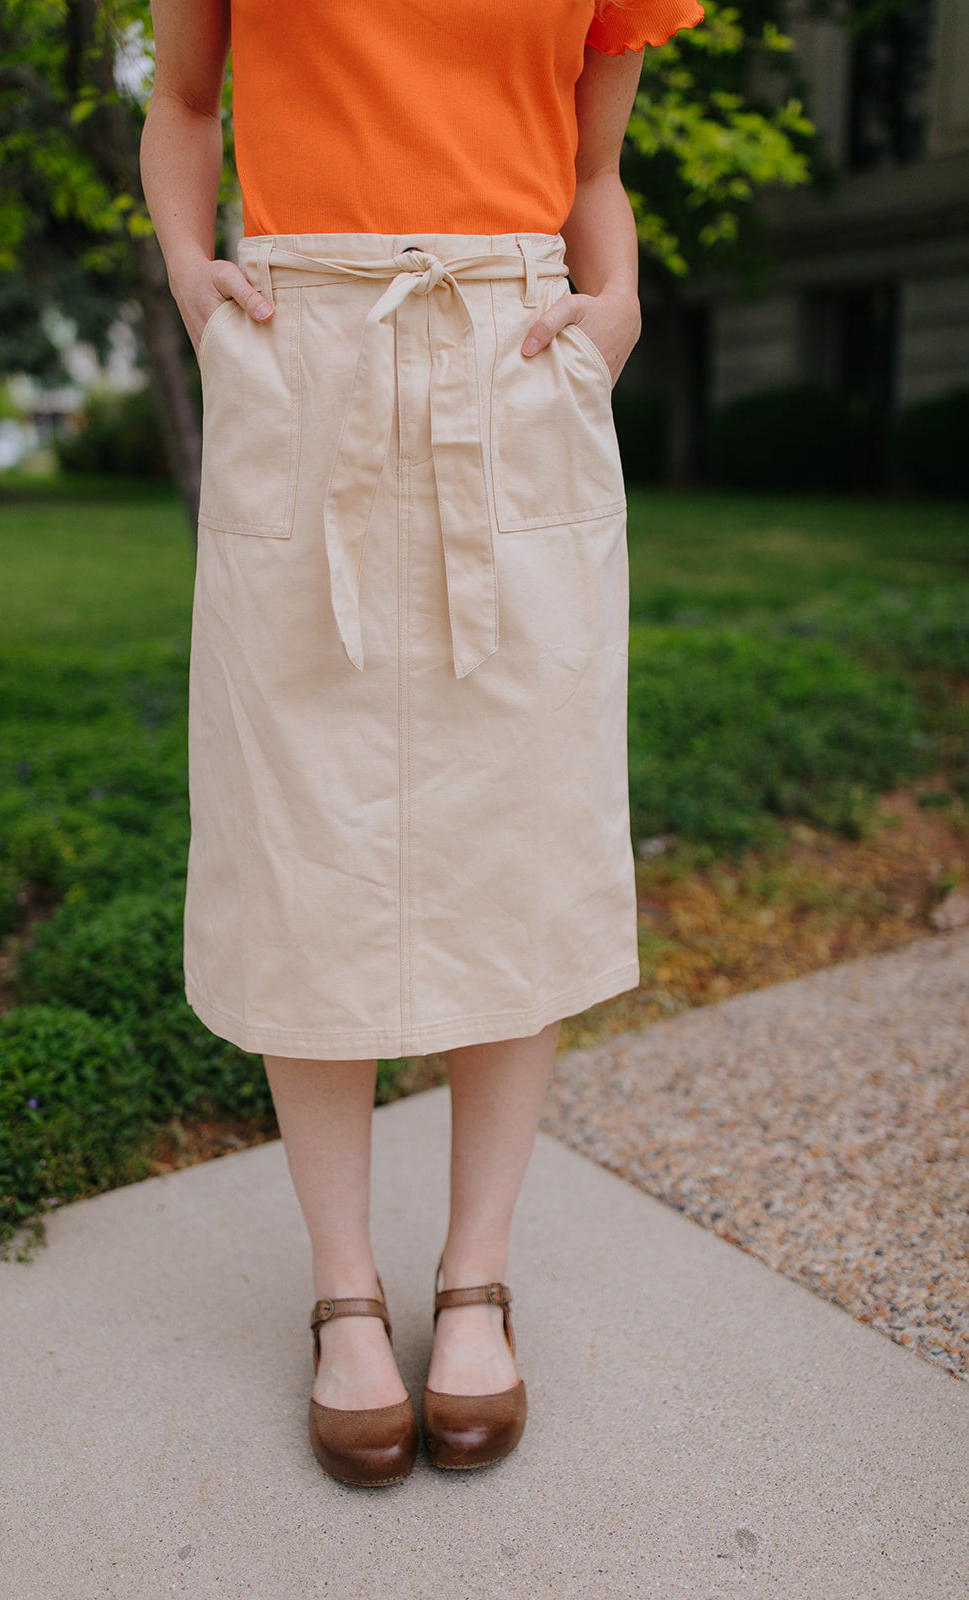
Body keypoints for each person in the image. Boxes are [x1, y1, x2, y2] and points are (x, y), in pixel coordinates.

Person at [140, 0, 703, 1487]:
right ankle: (343, 1290)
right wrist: (198, 285)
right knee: (303, 833)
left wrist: (615, 303)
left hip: (514, 354)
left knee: (518, 827)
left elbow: (592, 165)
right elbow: (184, 100)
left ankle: (474, 1280)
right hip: (299, 354)